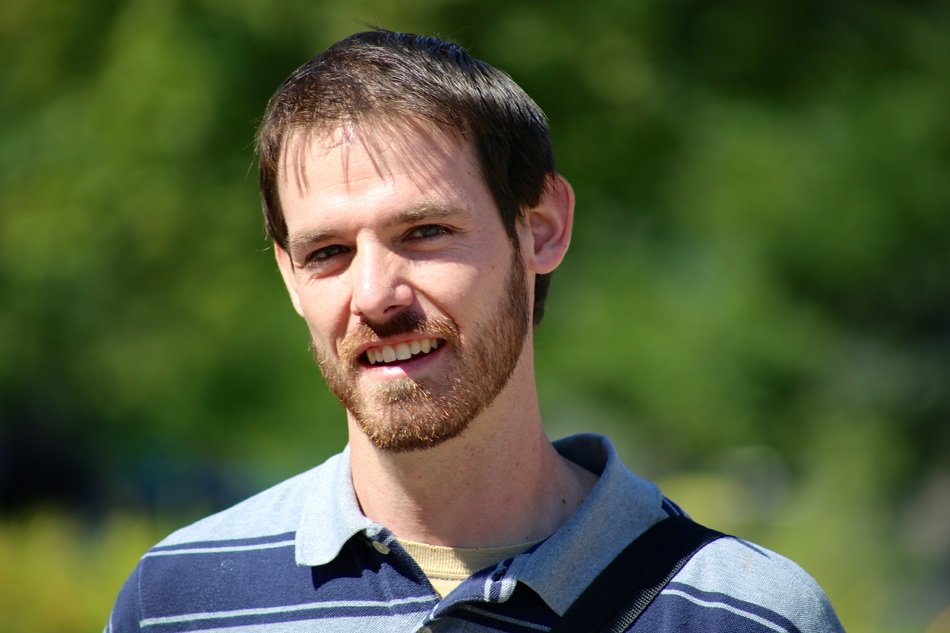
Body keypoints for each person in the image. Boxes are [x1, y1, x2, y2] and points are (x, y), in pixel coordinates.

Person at [106, 29, 845, 632]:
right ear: (288, 275)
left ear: (542, 230)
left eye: (425, 232)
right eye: (327, 251)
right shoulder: (178, 601)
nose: (374, 295)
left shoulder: (747, 615)